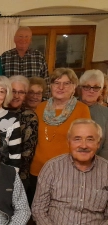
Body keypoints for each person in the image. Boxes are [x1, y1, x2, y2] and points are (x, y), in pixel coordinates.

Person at [29, 68, 90, 205]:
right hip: (38, 170)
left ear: (74, 87)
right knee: (37, 212)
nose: (61, 87)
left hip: (67, 172)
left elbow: (85, 145)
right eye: (56, 83)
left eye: (66, 83)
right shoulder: (40, 107)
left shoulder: (82, 109)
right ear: (51, 86)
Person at [32, 119, 108, 225]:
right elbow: (38, 210)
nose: (83, 145)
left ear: (98, 143)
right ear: (68, 142)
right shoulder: (52, 167)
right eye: (77, 139)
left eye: (90, 139)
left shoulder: (106, 170)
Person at [8, 75, 38, 196]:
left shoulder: (29, 116)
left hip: (19, 175)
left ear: (25, 95)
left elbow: (27, 152)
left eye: (21, 92)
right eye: (13, 91)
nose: (16, 96)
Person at [0, 26, 50, 95]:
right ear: (14, 39)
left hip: (32, 100)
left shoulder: (39, 56)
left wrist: (44, 100)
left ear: (30, 40)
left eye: (27, 37)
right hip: (11, 99)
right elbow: (0, 81)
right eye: (20, 36)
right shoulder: (5, 56)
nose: (23, 39)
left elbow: (46, 81)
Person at [79, 69, 108, 160]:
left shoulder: (106, 112)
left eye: (96, 88)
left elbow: (106, 147)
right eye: (87, 87)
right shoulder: (69, 107)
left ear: (100, 91)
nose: (91, 91)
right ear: (80, 89)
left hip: (97, 163)